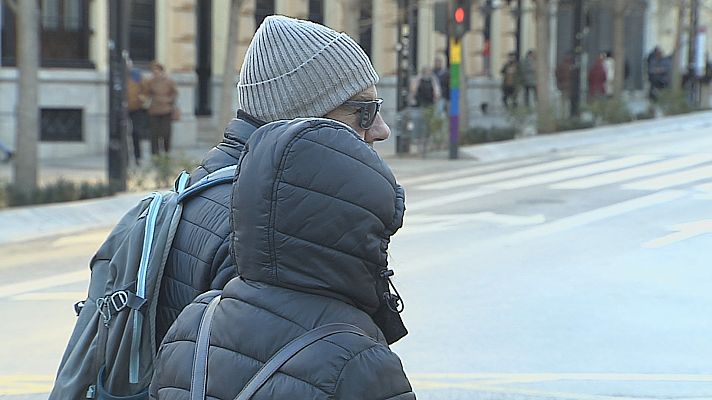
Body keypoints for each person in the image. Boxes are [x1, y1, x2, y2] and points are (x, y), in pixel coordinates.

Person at [149, 15, 413, 400]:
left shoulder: (200, 190)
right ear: (302, 117)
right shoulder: (265, 221)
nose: (381, 129)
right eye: (363, 111)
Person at [145, 61, 178, 155]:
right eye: (154, 71)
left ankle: (166, 152)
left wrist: (169, 100)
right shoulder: (150, 82)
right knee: (154, 134)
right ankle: (155, 154)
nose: (156, 73)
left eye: (157, 71)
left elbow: (174, 93)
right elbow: (147, 93)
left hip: (166, 110)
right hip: (154, 110)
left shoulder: (169, 81)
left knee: (166, 133)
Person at [126, 67, 147, 165]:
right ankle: (125, 157)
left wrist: (142, 98)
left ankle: (137, 157)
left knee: (136, 133)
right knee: (123, 134)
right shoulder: (121, 77)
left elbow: (145, 89)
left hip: (136, 108)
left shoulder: (137, 76)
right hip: (124, 109)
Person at [556, 52, 573, 116]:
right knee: (567, 101)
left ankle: (562, 113)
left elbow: (557, 73)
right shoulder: (569, 67)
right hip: (568, 85)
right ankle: (566, 114)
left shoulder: (560, 66)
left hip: (562, 85)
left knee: (562, 101)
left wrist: (559, 81)